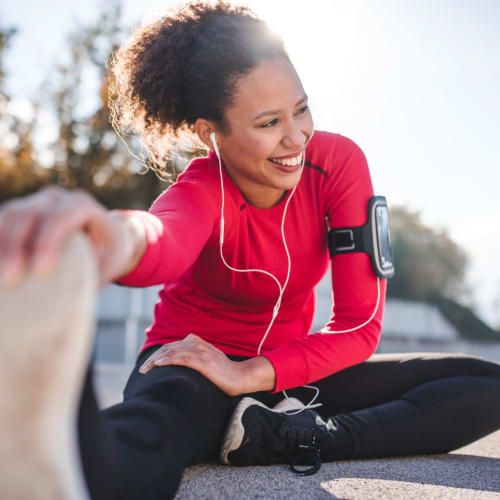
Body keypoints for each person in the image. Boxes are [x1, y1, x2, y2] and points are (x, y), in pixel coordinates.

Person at [0, 2, 499, 499]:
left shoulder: (338, 163)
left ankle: (284, 437)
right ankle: (58, 462)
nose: (296, 137)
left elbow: (357, 325)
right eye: (267, 124)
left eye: (301, 109)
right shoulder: (201, 188)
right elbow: (161, 238)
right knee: (154, 429)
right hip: (193, 366)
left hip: (282, 381)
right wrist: (105, 235)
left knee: (484, 385)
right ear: (209, 133)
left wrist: (251, 375)